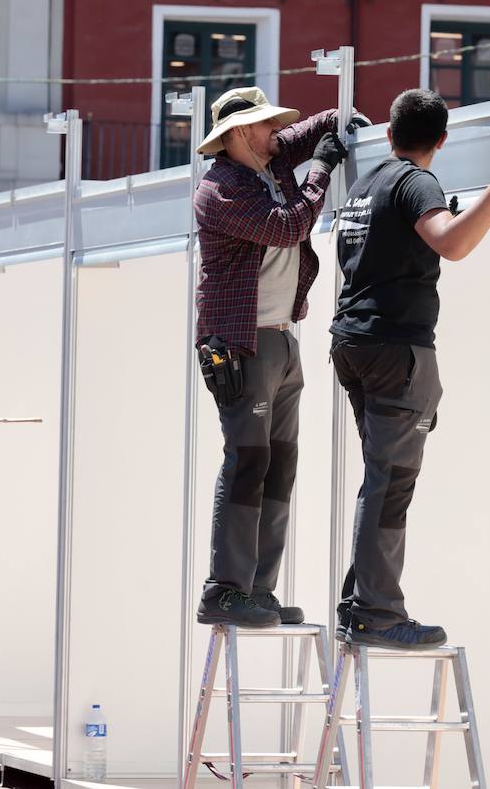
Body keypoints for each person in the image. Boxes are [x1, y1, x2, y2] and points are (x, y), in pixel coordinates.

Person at [329, 88, 490, 649]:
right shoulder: (415, 182)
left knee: (382, 475)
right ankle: (377, 611)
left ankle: (362, 600)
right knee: (392, 481)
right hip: (395, 348)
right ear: (441, 140)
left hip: (353, 343)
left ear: (392, 131)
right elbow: (450, 243)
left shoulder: (364, 184)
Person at [192, 85, 362, 628]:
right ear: (240, 134)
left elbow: (304, 132)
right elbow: (288, 225)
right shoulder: (220, 189)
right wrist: (321, 173)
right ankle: (224, 589)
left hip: (280, 339)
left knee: (279, 467)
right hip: (244, 342)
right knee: (248, 463)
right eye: (266, 126)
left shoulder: (264, 159)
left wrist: (340, 111)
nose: (277, 132)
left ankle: (258, 592)